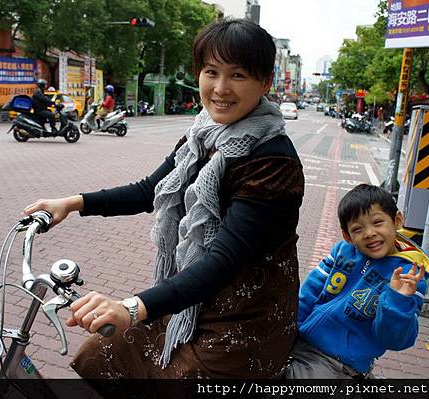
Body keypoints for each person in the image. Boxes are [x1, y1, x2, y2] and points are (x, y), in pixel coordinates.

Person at [23, 18, 304, 378]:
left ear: (265, 82)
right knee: (100, 352)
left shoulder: (273, 162)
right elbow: (151, 190)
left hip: (244, 319)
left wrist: (132, 308)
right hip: (193, 301)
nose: (220, 88)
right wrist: (73, 203)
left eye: (237, 76)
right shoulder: (204, 134)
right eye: (211, 72)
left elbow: (223, 260)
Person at [284, 184, 429, 379]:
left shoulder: (410, 275)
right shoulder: (342, 252)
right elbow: (309, 293)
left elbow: (395, 340)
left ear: (397, 220)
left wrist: (398, 299)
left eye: (377, 222)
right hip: (303, 341)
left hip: (339, 362)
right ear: (347, 236)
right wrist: (289, 333)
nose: (369, 233)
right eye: (358, 229)